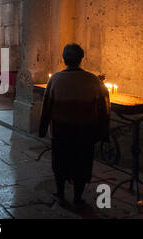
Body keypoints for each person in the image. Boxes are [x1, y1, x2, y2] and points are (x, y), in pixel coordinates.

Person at [39, 44, 111, 207]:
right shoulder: (93, 80)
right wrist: (103, 132)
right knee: (82, 163)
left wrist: (43, 129)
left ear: (64, 59)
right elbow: (103, 107)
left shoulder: (55, 79)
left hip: (61, 130)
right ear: (81, 58)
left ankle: (60, 192)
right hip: (85, 131)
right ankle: (78, 197)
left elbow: (47, 106)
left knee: (60, 162)